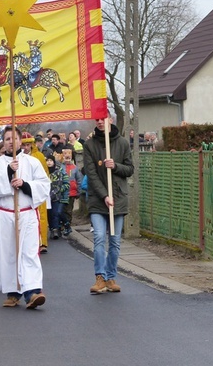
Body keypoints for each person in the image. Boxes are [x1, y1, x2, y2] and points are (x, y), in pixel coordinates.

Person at [0, 126, 50, 309]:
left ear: (21, 141)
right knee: (9, 253)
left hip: (26, 212)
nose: (12, 141)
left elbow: (44, 185)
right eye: (8, 138)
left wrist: (25, 185)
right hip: (5, 214)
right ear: (4, 141)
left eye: (15, 138)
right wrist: (8, 172)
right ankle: (13, 291)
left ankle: (32, 291)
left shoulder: (31, 162)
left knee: (28, 251)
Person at [83, 115, 134, 295]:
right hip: (98, 200)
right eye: (96, 119)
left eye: (102, 119)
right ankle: (100, 277)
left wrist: (116, 166)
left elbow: (130, 169)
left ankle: (111, 277)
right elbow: (91, 174)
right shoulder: (89, 145)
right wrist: (104, 195)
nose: (99, 122)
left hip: (118, 198)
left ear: (110, 119)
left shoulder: (122, 143)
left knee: (115, 241)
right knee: (98, 237)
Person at [23, 131, 50, 254]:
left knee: (41, 216)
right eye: (24, 145)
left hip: (37, 189)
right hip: (24, 190)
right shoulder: (17, 158)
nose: (26, 147)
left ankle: (42, 242)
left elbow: (45, 174)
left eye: (28, 145)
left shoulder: (38, 156)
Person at [46, 154, 69, 240]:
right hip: (46, 197)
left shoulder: (58, 172)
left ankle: (56, 230)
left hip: (56, 196)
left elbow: (59, 185)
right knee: (49, 214)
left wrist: (53, 194)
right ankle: (51, 228)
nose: (49, 162)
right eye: (47, 161)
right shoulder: (44, 171)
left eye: (51, 161)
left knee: (55, 213)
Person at [61, 148, 84, 236]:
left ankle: (68, 225)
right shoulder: (60, 167)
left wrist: (79, 191)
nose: (67, 158)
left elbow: (79, 180)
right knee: (62, 209)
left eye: (69, 157)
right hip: (62, 192)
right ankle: (63, 224)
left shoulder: (75, 168)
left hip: (71, 192)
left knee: (69, 210)